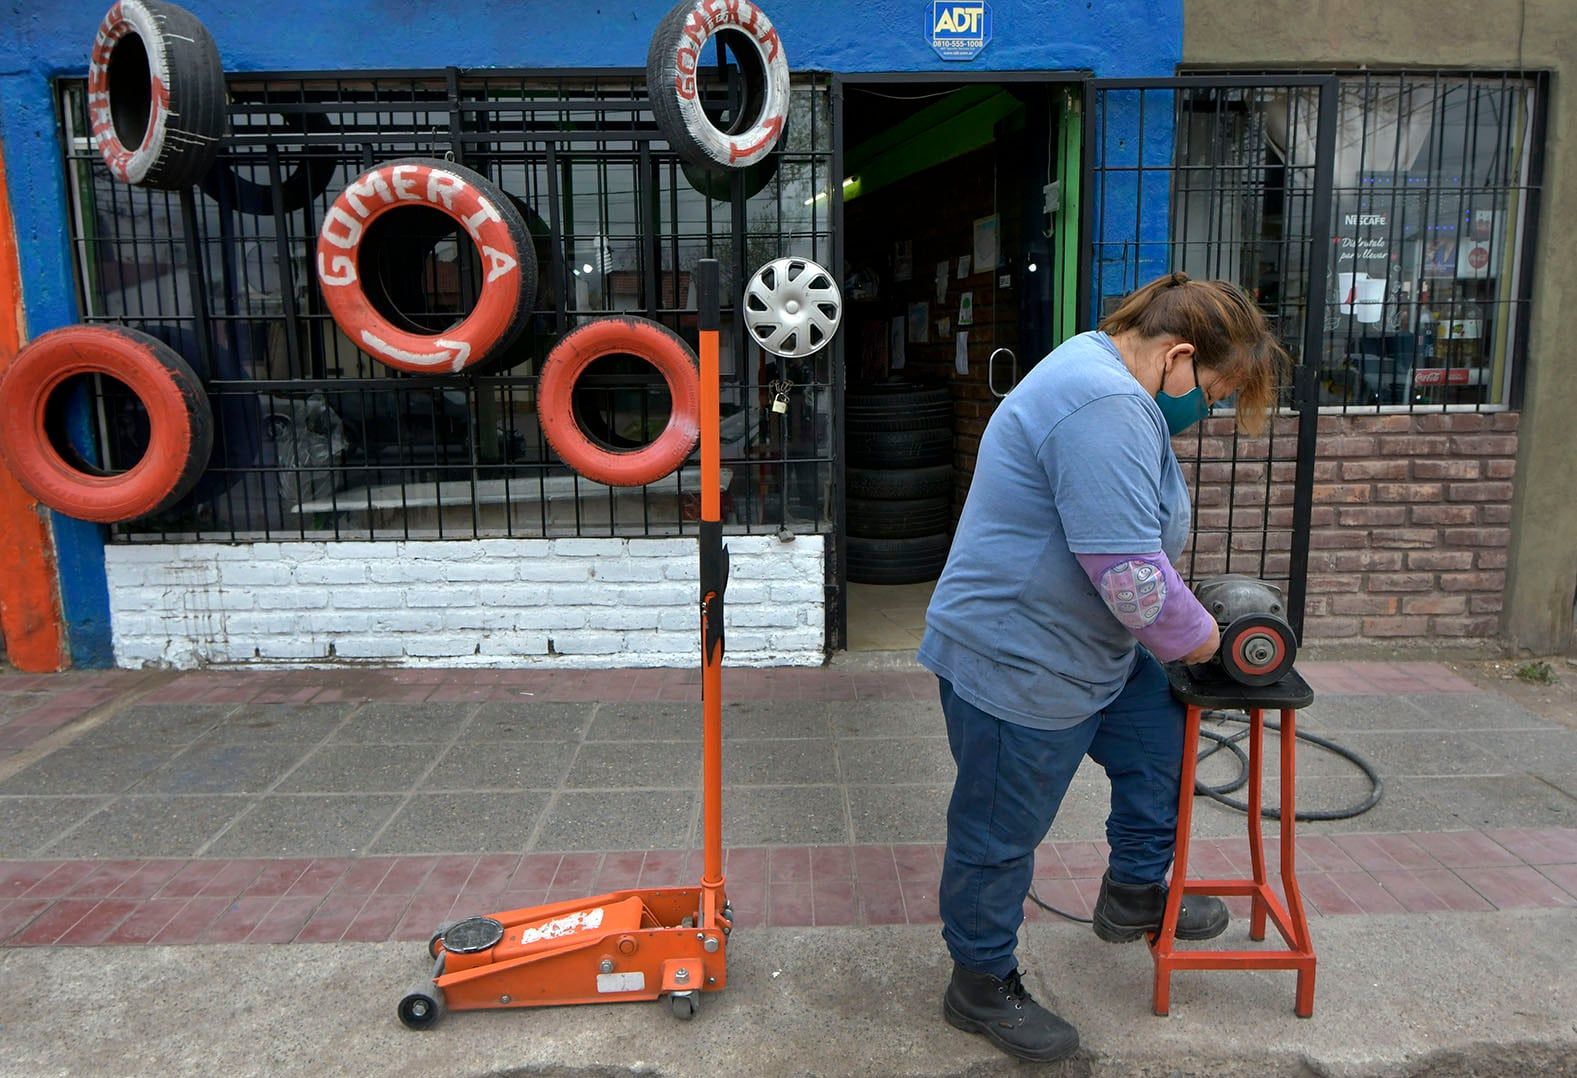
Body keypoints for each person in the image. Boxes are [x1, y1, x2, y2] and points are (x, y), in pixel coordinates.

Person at [917, 271, 1290, 1062]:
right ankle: (978, 983)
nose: (1206, 411)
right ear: (1178, 356)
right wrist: (1208, 649)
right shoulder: (1104, 404)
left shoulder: (1102, 365)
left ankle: (1130, 894)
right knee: (998, 831)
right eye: (1213, 394)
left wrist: (1184, 646)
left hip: (1092, 645)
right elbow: (1128, 574)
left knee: (1161, 741)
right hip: (1017, 655)